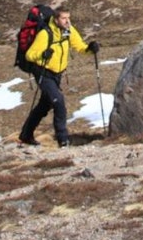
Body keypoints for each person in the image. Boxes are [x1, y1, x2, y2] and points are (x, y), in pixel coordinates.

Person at [18, 9, 98, 148]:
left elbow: (79, 47)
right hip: (43, 72)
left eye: (68, 18)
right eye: (63, 18)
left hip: (57, 74)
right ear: (56, 20)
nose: (67, 21)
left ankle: (26, 135)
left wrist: (90, 49)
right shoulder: (45, 34)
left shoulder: (69, 31)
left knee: (44, 105)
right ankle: (63, 140)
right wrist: (43, 54)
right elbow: (30, 55)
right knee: (58, 102)